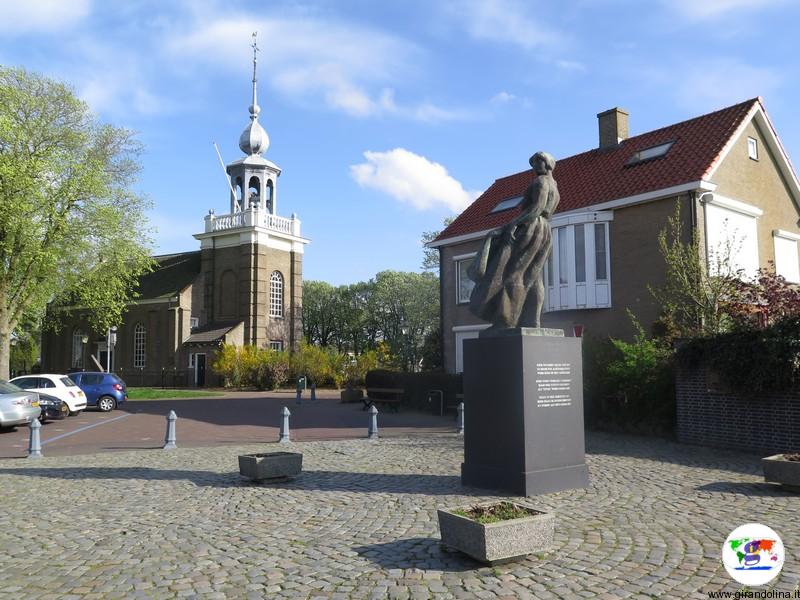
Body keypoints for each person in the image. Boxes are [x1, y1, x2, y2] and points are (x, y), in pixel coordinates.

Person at [468, 151, 559, 330]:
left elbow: (537, 208)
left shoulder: (540, 182)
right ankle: (532, 321)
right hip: (545, 229)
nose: (535, 167)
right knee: (533, 276)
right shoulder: (554, 185)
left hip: (530, 226)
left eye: (539, 162)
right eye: (533, 163)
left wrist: (510, 226)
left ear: (548, 163)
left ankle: (507, 321)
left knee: (512, 274)